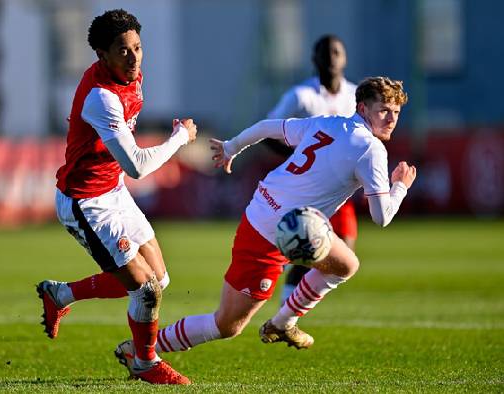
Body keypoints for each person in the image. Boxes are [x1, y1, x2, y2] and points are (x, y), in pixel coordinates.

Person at [114, 76, 416, 375]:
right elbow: (382, 217)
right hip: (273, 233)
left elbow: (267, 128)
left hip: (266, 210)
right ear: (363, 108)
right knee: (227, 324)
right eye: (383, 110)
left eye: (396, 112)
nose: (391, 119)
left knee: (345, 264)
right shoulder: (371, 150)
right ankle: (141, 350)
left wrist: (232, 146)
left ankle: (284, 322)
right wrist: (399, 186)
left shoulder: (328, 122)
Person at [36, 9, 196, 385]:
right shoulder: (101, 98)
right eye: (123, 51)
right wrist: (179, 139)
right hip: (86, 203)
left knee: (160, 279)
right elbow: (138, 165)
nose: (134, 57)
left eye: (138, 48)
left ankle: (60, 295)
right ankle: (142, 360)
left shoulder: (132, 76)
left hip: (112, 190)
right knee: (144, 290)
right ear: (101, 55)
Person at [264, 35, 359, 303]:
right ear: (314, 59)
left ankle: (289, 302)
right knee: (307, 245)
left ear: (345, 58)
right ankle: (287, 304)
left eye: (336, 52)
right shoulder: (300, 96)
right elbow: (270, 131)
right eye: (324, 52)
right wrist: (299, 156)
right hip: (307, 187)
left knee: (342, 251)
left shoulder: (355, 95)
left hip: (339, 188)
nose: (330, 57)